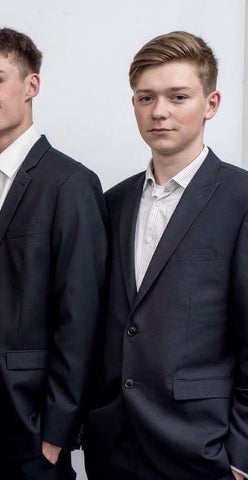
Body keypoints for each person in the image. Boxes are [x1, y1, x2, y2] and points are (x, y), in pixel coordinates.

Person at [84, 31, 248, 480]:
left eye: (178, 97)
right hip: (114, 445)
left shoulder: (241, 199)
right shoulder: (112, 202)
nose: (159, 112)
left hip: (203, 447)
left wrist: (241, 454)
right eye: (145, 97)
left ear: (211, 103)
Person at [0, 28, 107, 479]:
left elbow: (81, 317)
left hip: (35, 428)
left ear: (31, 86)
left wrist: (56, 437)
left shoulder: (71, 183)